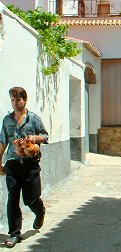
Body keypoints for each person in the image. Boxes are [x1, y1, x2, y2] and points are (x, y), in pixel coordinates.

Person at [0, 87, 48, 248]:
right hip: (12, 165)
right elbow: (3, 141)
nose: (15, 103)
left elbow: (45, 136)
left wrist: (35, 137)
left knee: (31, 199)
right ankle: (14, 234)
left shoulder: (34, 119)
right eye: (12, 100)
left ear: (25, 100)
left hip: (30, 165)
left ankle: (40, 211)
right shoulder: (7, 120)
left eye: (18, 100)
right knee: (12, 199)